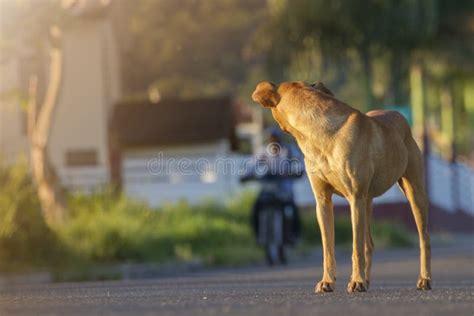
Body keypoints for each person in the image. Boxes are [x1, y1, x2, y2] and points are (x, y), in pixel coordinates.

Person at [242, 127, 303, 245]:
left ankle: (294, 235)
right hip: (268, 188)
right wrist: (246, 176)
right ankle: (258, 236)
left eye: (276, 138)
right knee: (256, 208)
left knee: (292, 210)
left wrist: (298, 172)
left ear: (280, 139)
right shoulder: (264, 151)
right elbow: (252, 165)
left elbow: (300, 163)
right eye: (271, 138)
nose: (273, 141)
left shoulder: (289, 150)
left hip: (285, 189)